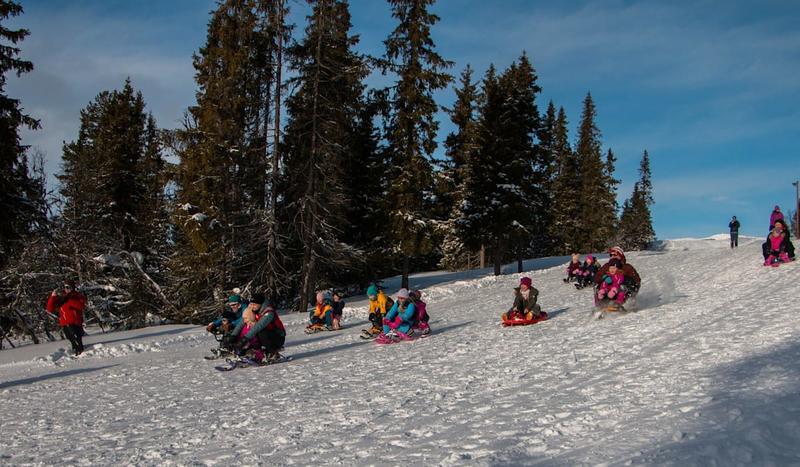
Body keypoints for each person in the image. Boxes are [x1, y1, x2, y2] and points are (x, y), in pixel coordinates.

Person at [226, 293, 286, 363]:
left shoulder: (269, 312)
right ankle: (252, 354)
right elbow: (242, 322)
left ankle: (273, 353)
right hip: (266, 335)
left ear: (260, 304)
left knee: (259, 332)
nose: (252, 306)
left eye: (255, 304)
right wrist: (233, 336)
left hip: (277, 337)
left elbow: (259, 326)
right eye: (251, 304)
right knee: (247, 331)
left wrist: (245, 339)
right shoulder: (254, 309)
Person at [46, 279, 87, 355]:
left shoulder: (77, 296)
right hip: (65, 322)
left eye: (68, 287)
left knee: (77, 338)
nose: (67, 289)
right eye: (65, 287)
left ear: (73, 287)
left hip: (76, 322)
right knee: (71, 338)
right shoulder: (61, 298)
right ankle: (76, 351)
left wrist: (69, 299)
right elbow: (49, 309)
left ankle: (80, 352)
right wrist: (53, 297)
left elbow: (80, 306)